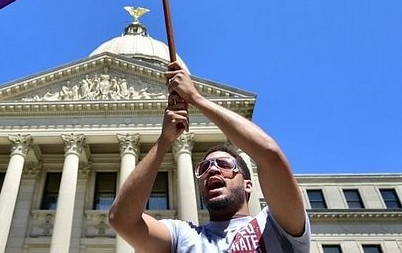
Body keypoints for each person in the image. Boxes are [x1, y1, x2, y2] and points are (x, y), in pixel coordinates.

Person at [109, 62, 310, 253]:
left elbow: (270, 155)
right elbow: (121, 219)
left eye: (224, 164)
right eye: (204, 168)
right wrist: (164, 141)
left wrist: (196, 99)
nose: (212, 169)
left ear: (249, 184)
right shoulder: (183, 237)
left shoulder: (276, 227)